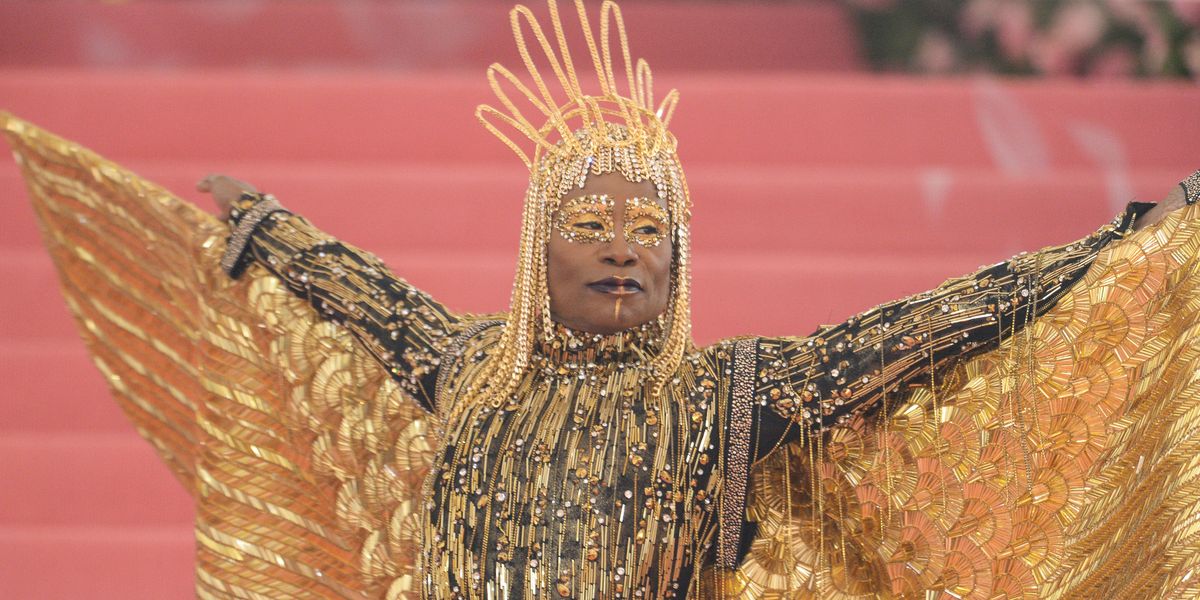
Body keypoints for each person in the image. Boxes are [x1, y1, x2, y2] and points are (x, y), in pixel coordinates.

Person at [5, 1, 1198, 598]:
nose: (622, 250)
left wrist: (1101, 258)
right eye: (590, 225)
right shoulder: (463, 363)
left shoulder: (734, 394)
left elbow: (927, 333)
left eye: (648, 231)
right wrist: (268, 232)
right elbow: (363, 296)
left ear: (680, 260)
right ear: (538, 249)